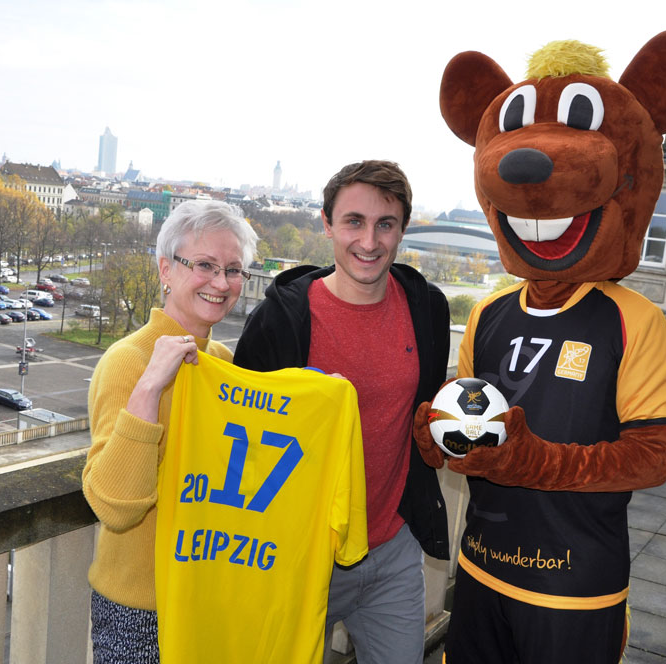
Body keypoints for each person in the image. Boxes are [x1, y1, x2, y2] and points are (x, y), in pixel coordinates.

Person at [234, 159, 450, 664]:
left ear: (403, 229)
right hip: (301, 557)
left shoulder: (427, 308)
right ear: (327, 224)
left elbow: (424, 411)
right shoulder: (280, 320)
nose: (369, 241)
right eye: (354, 221)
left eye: (385, 224)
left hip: (392, 550)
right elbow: (240, 441)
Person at [82, 199, 258, 663]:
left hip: (207, 593)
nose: (221, 283)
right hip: (141, 609)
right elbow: (114, 507)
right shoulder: (128, 361)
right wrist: (149, 388)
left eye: (233, 270)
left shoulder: (222, 363)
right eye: (205, 265)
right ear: (166, 269)